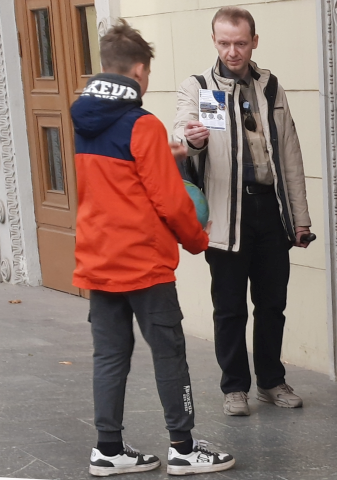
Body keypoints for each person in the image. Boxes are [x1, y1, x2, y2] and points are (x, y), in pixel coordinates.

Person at [71, 19, 235, 476]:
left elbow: (117, 177)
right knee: (169, 353)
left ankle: (108, 449)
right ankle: (183, 446)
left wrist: (164, 156)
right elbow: (170, 200)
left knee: (109, 357)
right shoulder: (141, 124)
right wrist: (199, 240)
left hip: (99, 259)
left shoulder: (83, 119)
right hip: (144, 263)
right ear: (139, 71)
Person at [174, 7, 312, 417]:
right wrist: (192, 139)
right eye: (224, 43)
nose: (232, 51)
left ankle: (271, 381)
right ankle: (234, 387)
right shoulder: (200, 87)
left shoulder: (271, 87)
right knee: (230, 307)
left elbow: (290, 153)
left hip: (270, 209)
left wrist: (300, 218)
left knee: (272, 304)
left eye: (239, 43)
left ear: (254, 42)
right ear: (214, 42)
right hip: (225, 212)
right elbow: (181, 131)